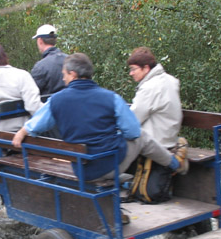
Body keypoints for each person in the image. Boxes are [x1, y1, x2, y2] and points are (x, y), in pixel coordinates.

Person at [12, 53, 188, 180]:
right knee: (142, 136)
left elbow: (36, 125)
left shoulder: (55, 101)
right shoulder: (111, 98)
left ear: (73, 74)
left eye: (64, 74)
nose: (63, 78)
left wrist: (21, 132)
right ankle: (175, 165)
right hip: (110, 166)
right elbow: (133, 131)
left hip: (81, 170)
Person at [127, 47, 182, 148]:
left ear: (146, 68)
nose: (131, 73)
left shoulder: (149, 87)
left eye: (133, 69)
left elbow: (133, 120)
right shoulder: (171, 80)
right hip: (170, 139)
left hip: (155, 144)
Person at [31, 24, 67, 96]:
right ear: (55, 40)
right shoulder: (71, 60)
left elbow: (32, 93)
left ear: (40, 41)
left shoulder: (40, 67)